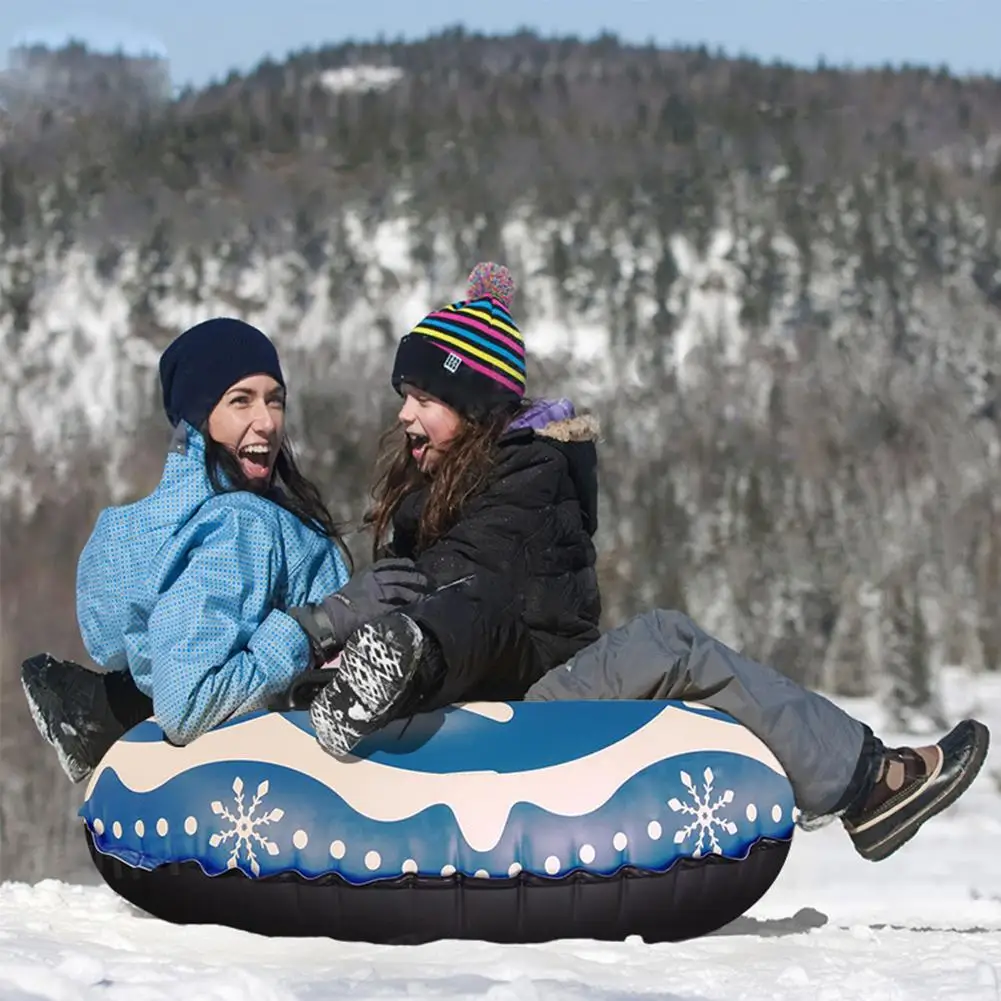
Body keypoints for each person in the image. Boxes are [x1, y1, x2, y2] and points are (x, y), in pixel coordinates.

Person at [21, 317, 431, 782]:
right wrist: (319, 624)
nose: (267, 421)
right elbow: (189, 704)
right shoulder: (239, 525)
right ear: (201, 418)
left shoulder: (192, 522)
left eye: (275, 400)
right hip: (278, 796)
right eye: (241, 401)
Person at [290, 262, 602, 756]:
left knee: (470, 606)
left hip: (540, 662)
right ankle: (359, 673)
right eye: (405, 396)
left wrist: (385, 621)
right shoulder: (439, 479)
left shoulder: (533, 470)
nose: (404, 414)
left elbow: (468, 575)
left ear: (474, 411)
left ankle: (388, 667)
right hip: (473, 648)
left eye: (424, 400)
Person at [522, 611, 990, 862]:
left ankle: (857, 779)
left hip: (516, 688)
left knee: (664, 649)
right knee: (666, 644)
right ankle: (867, 782)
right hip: (503, 712)